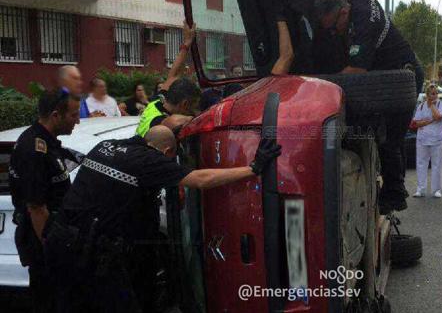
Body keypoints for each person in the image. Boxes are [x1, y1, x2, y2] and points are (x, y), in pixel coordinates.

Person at [59, 126, 281, 312]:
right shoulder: (149, 161)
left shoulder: (106, 145)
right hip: (93, 253)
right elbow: (200, 179)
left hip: (64, 240)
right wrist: (253, 168)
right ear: (166, 151)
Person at [315, 0, 425, 214]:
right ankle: (386, 185)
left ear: (344, 12)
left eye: (335, 28)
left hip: (403, 80)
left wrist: (319, 85)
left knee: (390, 139)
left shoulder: (364, 26)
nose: (335, 34)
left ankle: (395, 195)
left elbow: (355, 71)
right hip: (386, 79)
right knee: (376, 133)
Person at [8, 89, 81, 312]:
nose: (77, 121)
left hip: (53, 233)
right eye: (73, 115)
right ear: (55, 116)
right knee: (49, 299)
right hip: (43, 240)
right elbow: (36, 207)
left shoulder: (48, 142)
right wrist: (51, 249)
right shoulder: (34, 150)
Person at [412, 84, 442, 198]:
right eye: (433, 93)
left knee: (437, 164)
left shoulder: (441, 104)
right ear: (427, 95)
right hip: (422, 139)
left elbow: (438, 117)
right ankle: (420, 189)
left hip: (437, 139)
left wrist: (432, 106)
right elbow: (416, 123)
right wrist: (428, 121)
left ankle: (436, 190)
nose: (435, 95)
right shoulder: (421, 106)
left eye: (436, 93)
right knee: (421, 163)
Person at [136, 77, 200, 137]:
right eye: (194, 108)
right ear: (185, 104)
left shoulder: (156, 101)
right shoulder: (160, 124)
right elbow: (173, 121)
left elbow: (172, 76)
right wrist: (198, 118)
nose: (194, 112)